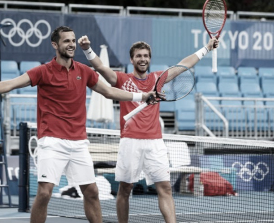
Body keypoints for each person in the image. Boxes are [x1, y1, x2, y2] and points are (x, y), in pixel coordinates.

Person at [0, 26, 155, 223]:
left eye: (73, 41)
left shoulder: (84, 71)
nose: (72, 45)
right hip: (52, 141)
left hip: (79, 143)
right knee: (45, 192)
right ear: (55, 45)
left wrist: (142, 96)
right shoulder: (42, 71)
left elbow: (109, 92)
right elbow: (10, 84)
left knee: (91, 191)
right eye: (67, 41)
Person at [78, 35, 218, 223]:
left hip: (155, 143)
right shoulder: (122, 79)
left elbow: (183, 65)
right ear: (132, 59)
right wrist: (87, 49)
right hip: (130, 141)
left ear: (149, 58)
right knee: (125, 189)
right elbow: (102, 68)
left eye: (145, 55)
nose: (142, 59)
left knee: (165, 188)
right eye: (138, 56)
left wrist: (207, 48)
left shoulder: (157, 79)